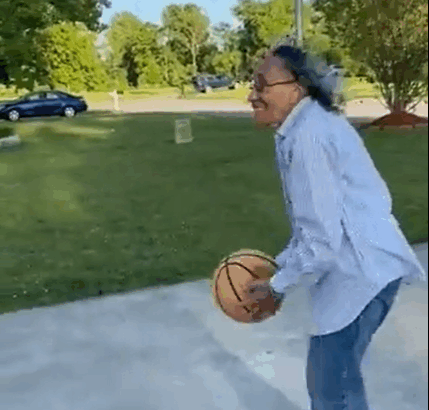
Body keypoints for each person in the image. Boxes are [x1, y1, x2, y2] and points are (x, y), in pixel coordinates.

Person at [238, 38, 427, 410]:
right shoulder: (303, 127)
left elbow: (322, 240)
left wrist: (277, 285)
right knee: (336, 384)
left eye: (261, 85)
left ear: (296, 89)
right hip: (365, 270)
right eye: (252, 85)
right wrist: (279, 268)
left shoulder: (309, 137)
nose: (251, 96)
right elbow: (312, 228)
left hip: (362, 275)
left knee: (332, 390)